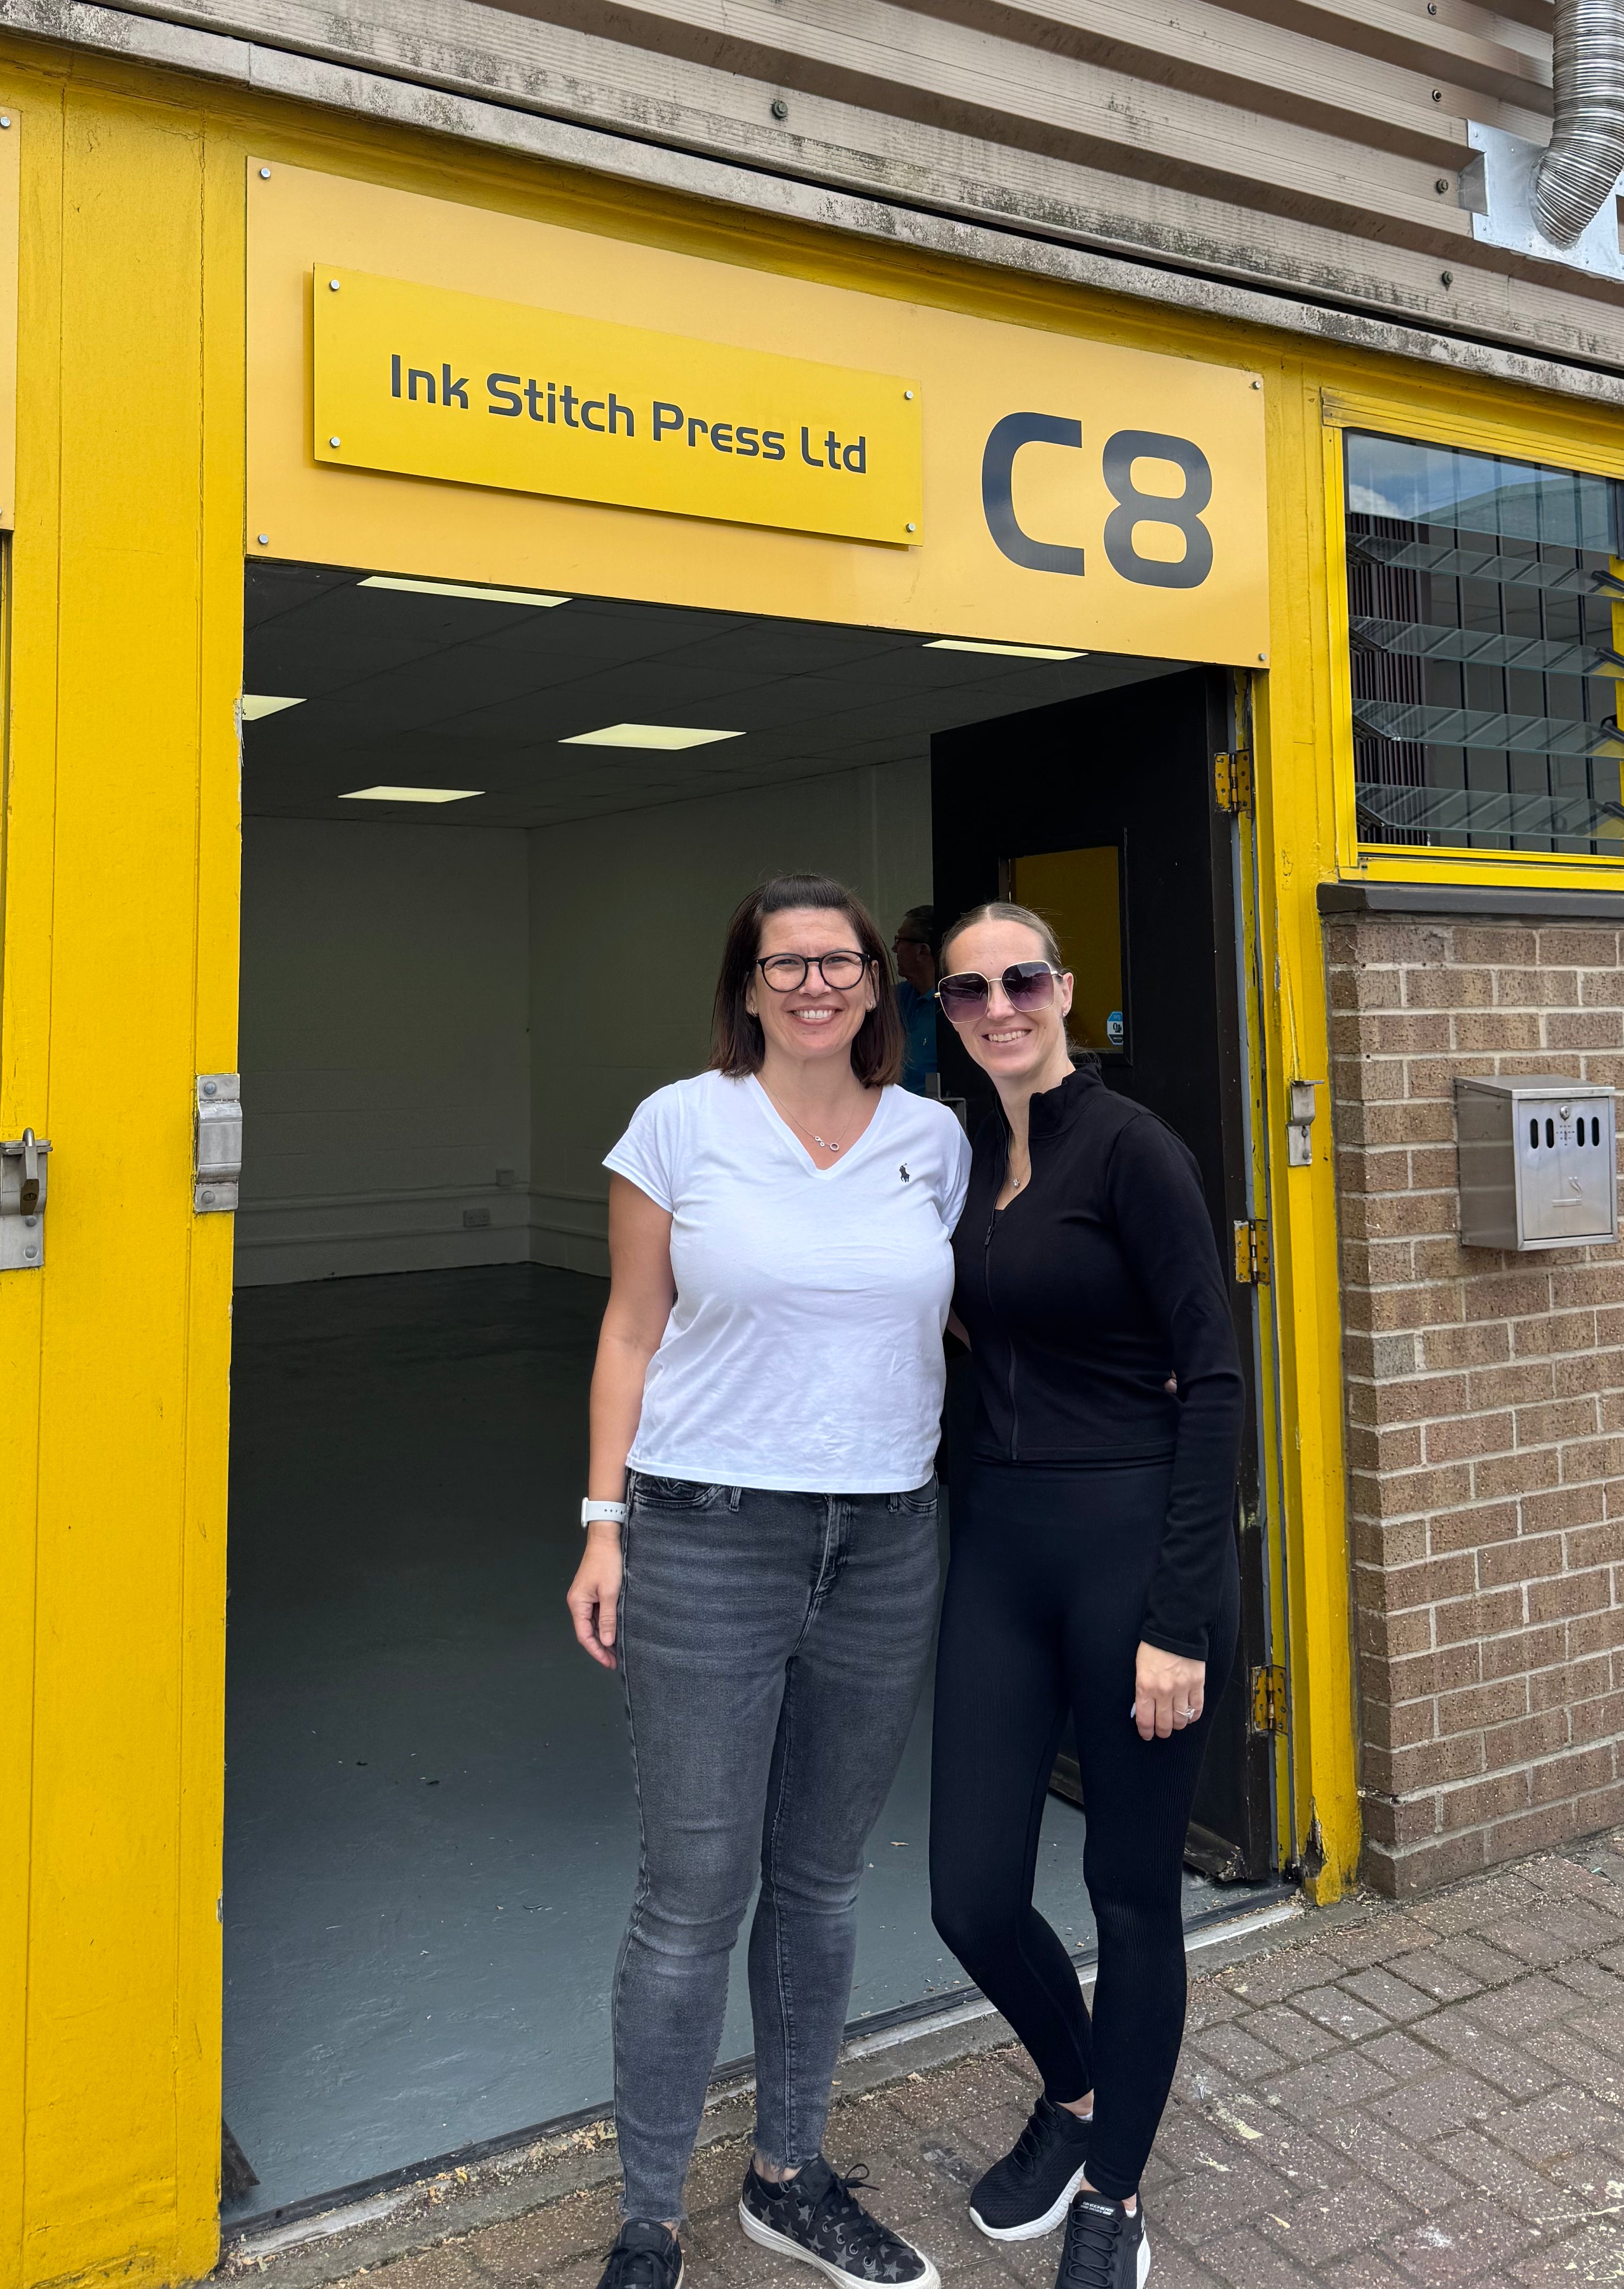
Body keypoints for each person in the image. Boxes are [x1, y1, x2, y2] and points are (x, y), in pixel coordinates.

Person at [567, 872, 971, 2289]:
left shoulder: (932, 1137)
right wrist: (600, 1523)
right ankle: (646, 2222)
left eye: (841, 962)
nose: (814, 983)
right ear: (745, 987)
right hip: (705, 1536)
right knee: (690, 1892)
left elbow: (963, 1311)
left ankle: (789, 2176)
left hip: (884, 1544)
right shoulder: (679, 1124)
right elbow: (629, 1328)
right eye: (784, 963)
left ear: (878, 985)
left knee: (818, 1882)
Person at [925, 903, 1243, 2289]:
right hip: (996, 1552)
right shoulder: (950, 1157)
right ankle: (1075, 2093)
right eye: (968, 989)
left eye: (1023, 978)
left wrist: (1179, 1613)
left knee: (1127, 1893)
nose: (1000, 1005)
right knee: (968, 1893)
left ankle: (1112, 2191)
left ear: (1064, 989)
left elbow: (1214, 1376)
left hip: (1131, 1558)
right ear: (942, 1011)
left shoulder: (1132, 1151)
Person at [891, 905, 939, 1093]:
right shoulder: (900, 998)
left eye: (900, 941)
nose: (894, 949)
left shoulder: (953, 1006)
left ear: (922, 951)